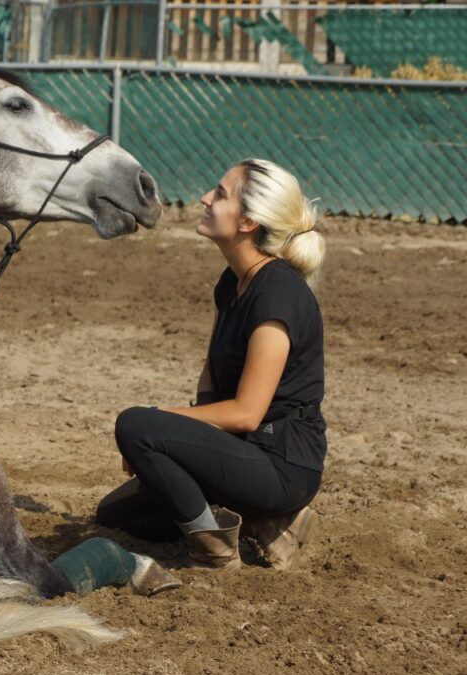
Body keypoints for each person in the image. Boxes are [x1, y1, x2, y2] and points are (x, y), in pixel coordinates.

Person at [96, 159, 327, 570]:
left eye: (220, 194)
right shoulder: (233, 281)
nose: (206, 198)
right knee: (116, 515)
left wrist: (161, 422)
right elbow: (212, 377)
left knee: (135, 424)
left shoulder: (278, 296)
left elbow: (246, 412)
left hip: (281, 464)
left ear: (248, 222)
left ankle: (217, 549)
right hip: (245, 450)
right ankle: (265, 521)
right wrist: (175, 435)